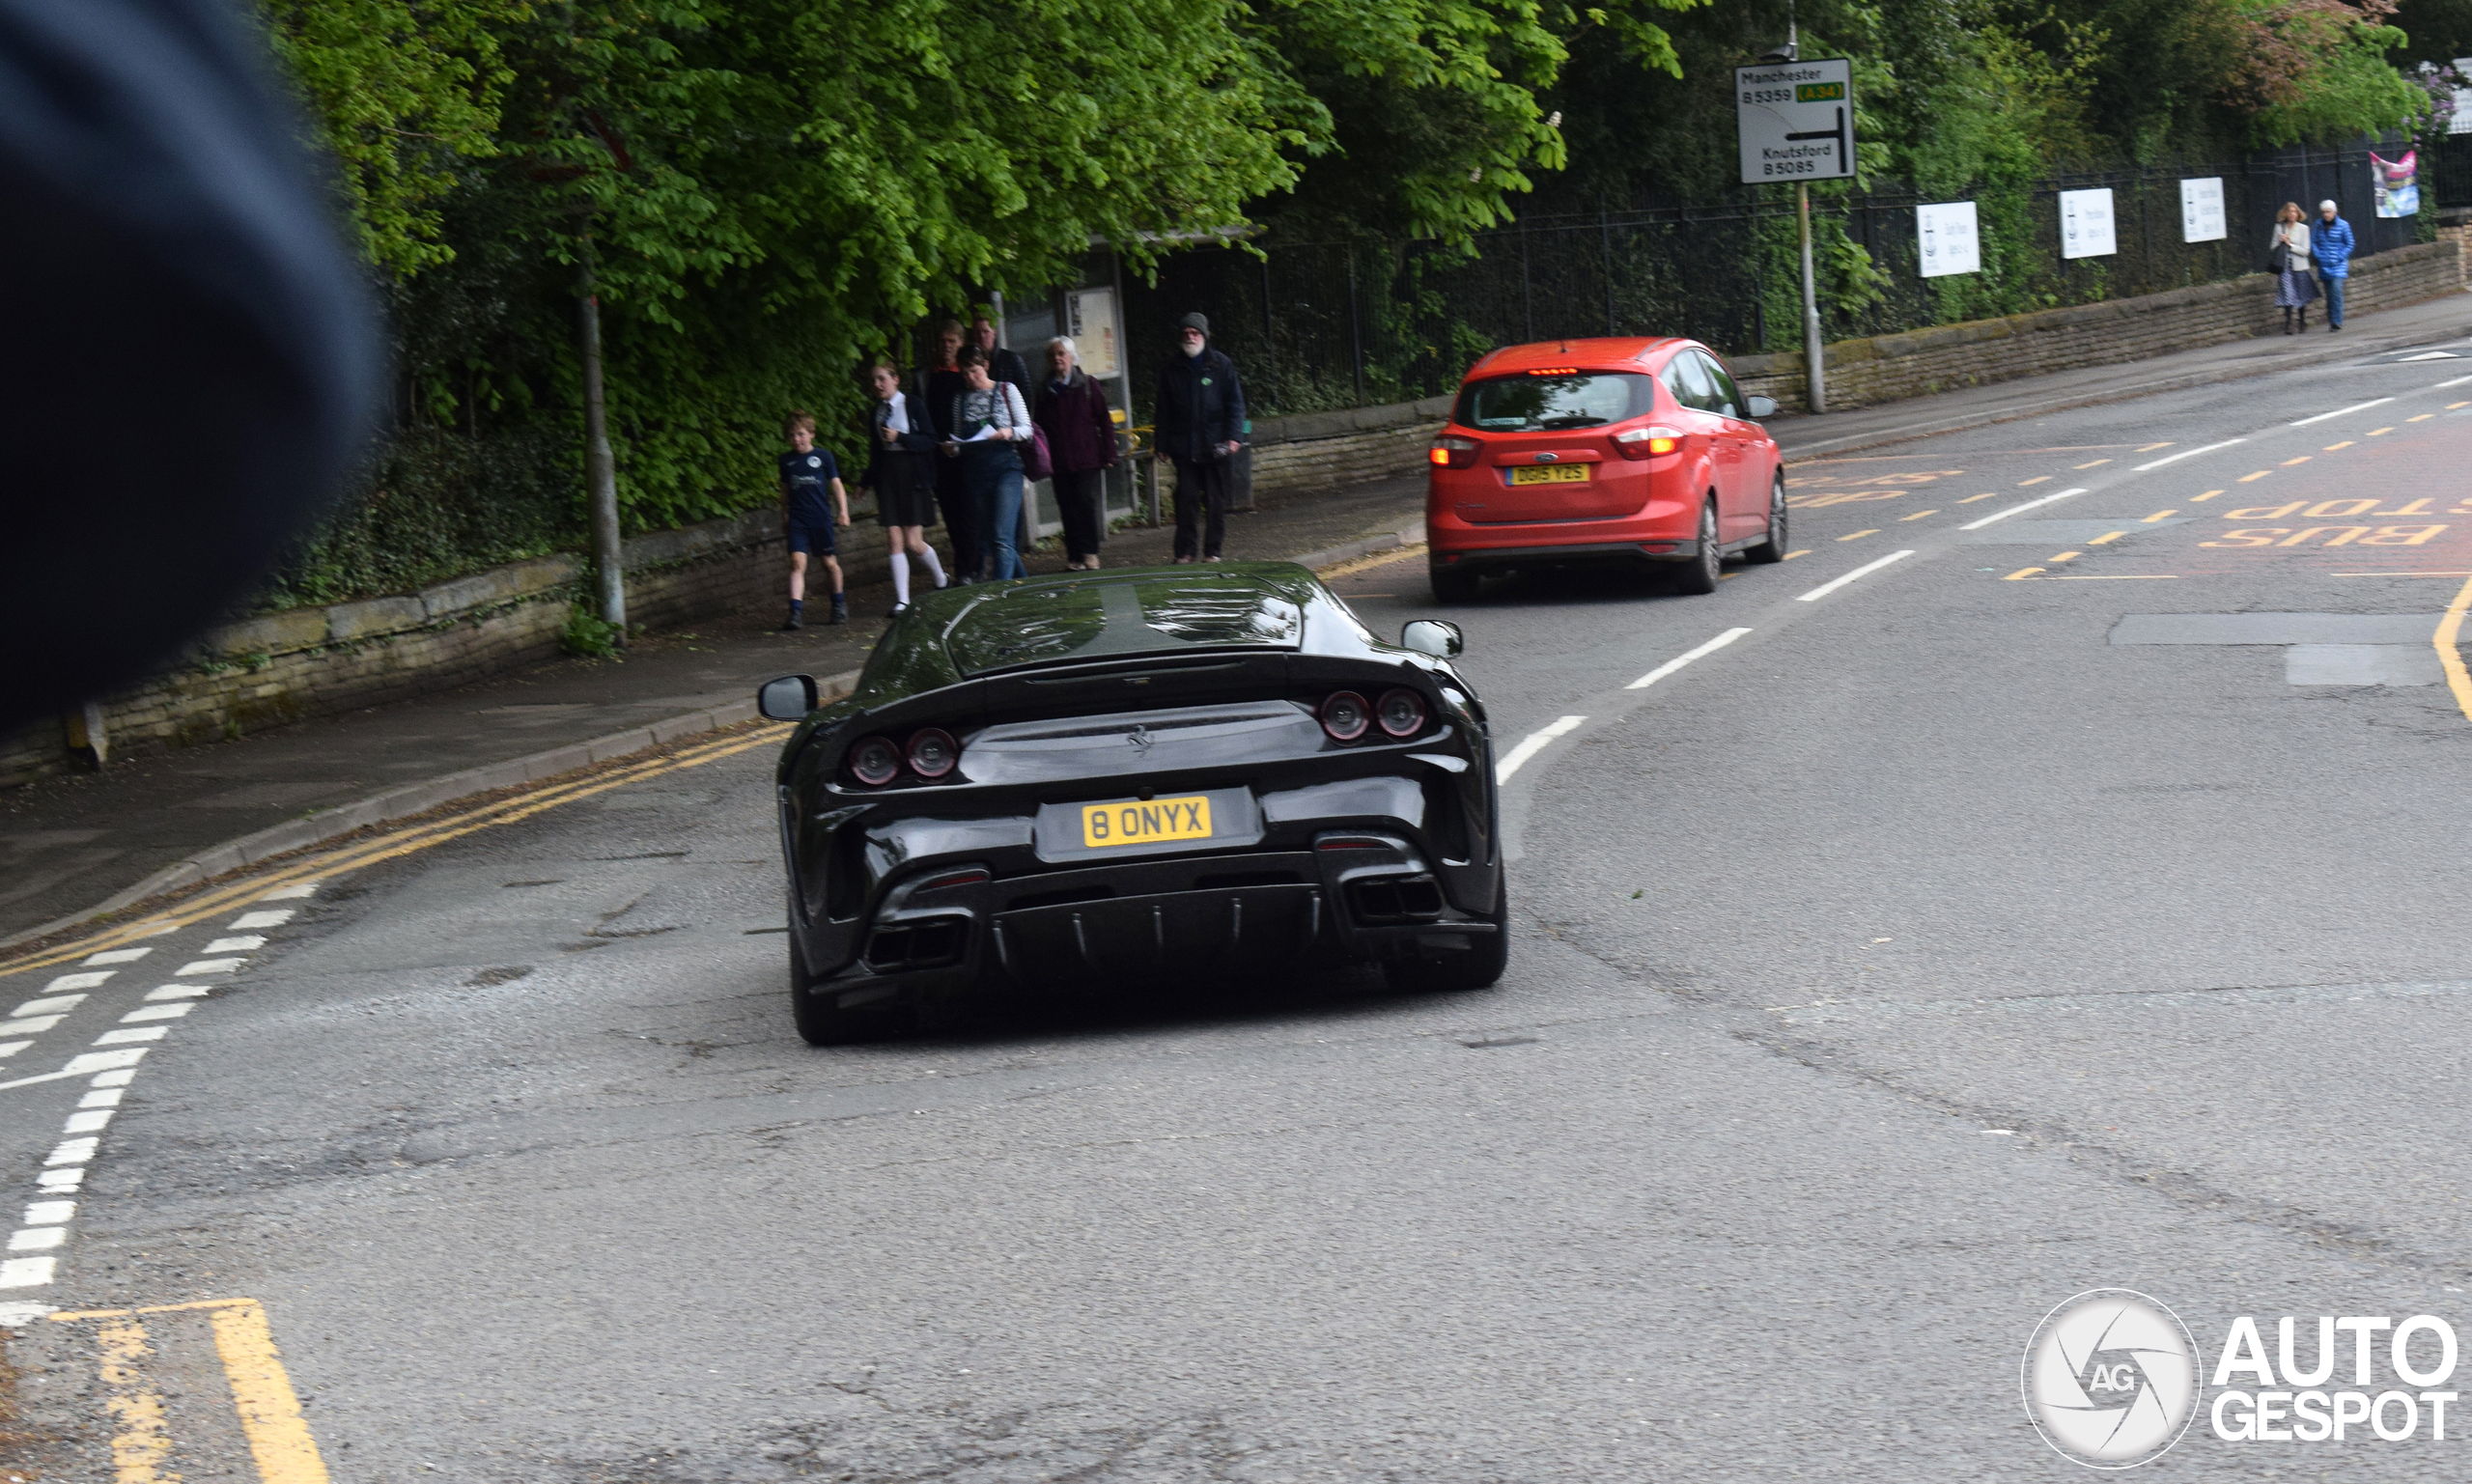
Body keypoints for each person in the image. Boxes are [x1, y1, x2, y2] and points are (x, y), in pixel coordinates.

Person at [1153, 312, 1247, 563]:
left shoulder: (1221, 365)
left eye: (1194, 333)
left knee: (1215, 503)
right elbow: (1163, 410)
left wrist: (1234, 437)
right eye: (1185, 333)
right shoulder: (1171, 368)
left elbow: (1235, 404)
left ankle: (1212, 551)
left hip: (1215, 446)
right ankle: (1185, 551)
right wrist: (1160, 443)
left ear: (1204, 336)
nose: (1190, 337)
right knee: (1186, 501)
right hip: (1184, 447)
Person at [860, 361, 949, 614]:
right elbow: (876, 452)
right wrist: (865, 482)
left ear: (895, 379)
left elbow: (929, 440)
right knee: (893, 538)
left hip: (912, 475)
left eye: (882, 379)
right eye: (874, 380)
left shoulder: (912, 404)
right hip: (888, 477)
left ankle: (941, 578)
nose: (877, 384)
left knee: (913, 541)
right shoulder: (876, 412)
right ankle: (903, 600)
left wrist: (900, 437)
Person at [945, 344, 1034, 581]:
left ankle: (998, 593)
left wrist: (1008, 432)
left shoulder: (1006, 390)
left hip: (1006, 468)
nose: (970, 378)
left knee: (1002, 537)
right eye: (965, 373)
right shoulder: (960, 399)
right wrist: (952, 448)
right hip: (976, 473)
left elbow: (1027, 429)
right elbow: (958, 438)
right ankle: (1026, 587)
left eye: (974, 371)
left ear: (985, 365)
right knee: (994, 539)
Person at [1034, 337, 1119, 570]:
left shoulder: (1088, 385)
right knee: (1066, 505)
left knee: (1084, 500)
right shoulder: (1044, 390)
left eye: (1061, 353)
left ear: (1072, 357)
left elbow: (1104, 420)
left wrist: (1110, 453)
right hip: (1059, 459)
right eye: (1052, 355)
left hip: (1086, 456)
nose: (1057, 358)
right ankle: (1074, 556)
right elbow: (1039, 427)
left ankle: (1090, 552)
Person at [777, 410, 851, 629]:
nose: (796, 439)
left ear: (811, 434)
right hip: (798, 520)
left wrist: (843, 511)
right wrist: (784, 514)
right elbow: (785, 490)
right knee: (797, 563)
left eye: (800, 434)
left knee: (829, 563)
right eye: (792, 435)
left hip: (820, 519)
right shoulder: (786, 461)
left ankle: (838, 603)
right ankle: (795, 613)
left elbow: (836, 485)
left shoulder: (824, 457)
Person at [920, 319, 977, 580]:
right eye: (943, 341)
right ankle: (964, 568)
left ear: (961, 343)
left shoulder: (966, 376)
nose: (946, 346)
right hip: (937, 455)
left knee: (967, 512)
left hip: (964, 455)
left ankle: (969, 569)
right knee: (950, 514)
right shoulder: (926, 376)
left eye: (951, 341)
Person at [2270, 203, 2317, 335]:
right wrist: (2280, 241)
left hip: (2300, 266)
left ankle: (2302, 320)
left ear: (2298, 214)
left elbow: (2306, 251)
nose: (2292, 214)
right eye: (2289, 211)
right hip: (2284, 267)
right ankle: (2289, 323)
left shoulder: (2303, 228)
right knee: (2287, 293)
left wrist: (2290, 245)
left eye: (2294, 212)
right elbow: (2272, 247)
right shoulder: (2279, 228)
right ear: (2285, 213)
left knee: (2301, 294)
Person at [2314, 199, 2355, 332]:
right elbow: (2313, 242)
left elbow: (2350, 244)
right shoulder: (2318, 225)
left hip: (2338, 266)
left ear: (2334, 212)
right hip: (2324, 265)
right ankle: (2332, 321)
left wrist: (2340, 256)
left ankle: (2337, 321)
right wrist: (2319, 256)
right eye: (2324, 212)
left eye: (2329, 212)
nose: (2326, 215)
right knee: (2329, 295)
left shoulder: (2343, 225)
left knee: (2336, 292)